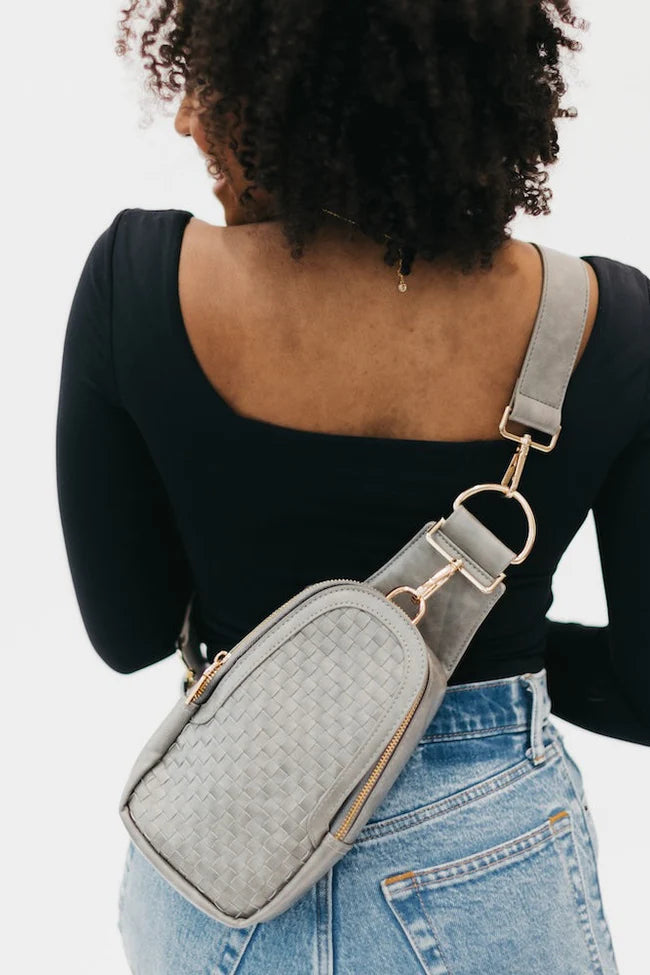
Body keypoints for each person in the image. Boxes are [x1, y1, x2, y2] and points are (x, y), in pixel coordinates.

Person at [55, 2, 649, 972]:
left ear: (278, 75)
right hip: (491, 865)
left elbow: (127, 631)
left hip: (218, 857)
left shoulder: (139, 277)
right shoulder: (603, 321)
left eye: (211, 73)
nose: (185, 115)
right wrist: (466, 646)